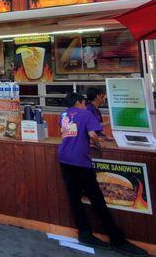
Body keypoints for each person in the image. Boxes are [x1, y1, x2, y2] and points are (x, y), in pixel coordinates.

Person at [58, 92, 147, 256]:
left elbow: (70, 134)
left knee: (74, 198)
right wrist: (98, 145)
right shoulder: (86, 113)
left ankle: (84, 233)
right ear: (79, 102)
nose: (85, 105)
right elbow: (92, 134)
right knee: (97, 199)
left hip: (64, 159)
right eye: (84, 102)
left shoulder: (63, 115)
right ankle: (117, 239)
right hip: (80, 161)